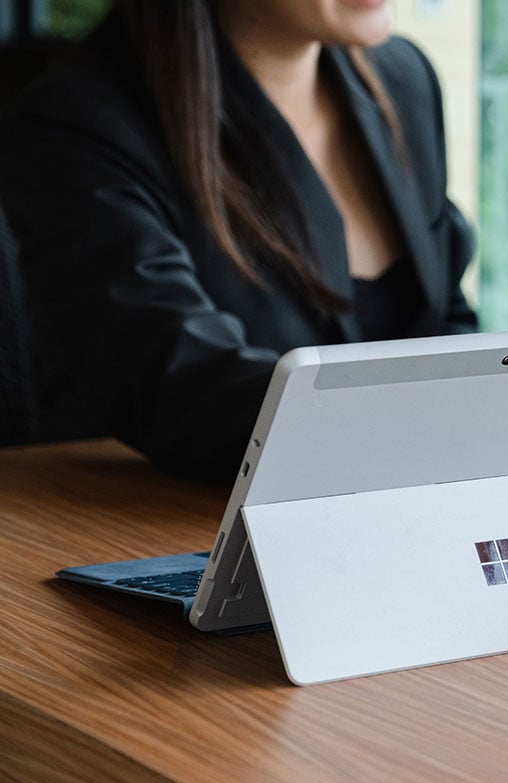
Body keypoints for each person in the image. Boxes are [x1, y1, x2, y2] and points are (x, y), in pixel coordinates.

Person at [0, 0, 478, 482]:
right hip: (167, 528)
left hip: (399, 511)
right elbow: (180, 384)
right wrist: (429, 436)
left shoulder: (403, 77)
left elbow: (445, 318)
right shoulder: (77, 127)